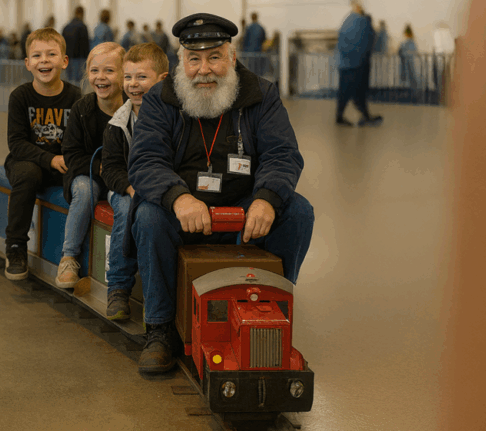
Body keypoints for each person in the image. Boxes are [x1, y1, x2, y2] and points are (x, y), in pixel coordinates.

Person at [126, 13, 314, 373]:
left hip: (245, 210)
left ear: (232, 56)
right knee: (148, 216)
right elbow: (146, 160)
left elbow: (282, 154)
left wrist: (267, 199)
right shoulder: (160, 100)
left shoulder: (261, 94)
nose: (204, 69)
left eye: (214, 57)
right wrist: (178, 198)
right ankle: (160, 329)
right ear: (181, 61)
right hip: (183, 212)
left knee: (298, 212)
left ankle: (275, 313)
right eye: (194, 59)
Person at [3, 28, 82, 280]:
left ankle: (72, 254)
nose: (44, 60)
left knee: (85, 183)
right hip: (26, 162)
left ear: (64, 61)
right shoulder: (20, 97)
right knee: (28, 174)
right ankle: (16, 246)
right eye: (37, 56)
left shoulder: (76, 97)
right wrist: (50, 159)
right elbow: (16, 144)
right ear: (28, 63)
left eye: (51, 54)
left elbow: (80, 141)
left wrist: (68, 161)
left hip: (63, 164)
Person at [101, 43, 168, 320]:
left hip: (159, 189)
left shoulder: (175, 117)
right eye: (128, 77)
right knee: (128, 208)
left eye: (141, 77)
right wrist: (130, 187)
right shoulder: (118, 123)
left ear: (162, 79)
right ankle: (118, 286)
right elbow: (110, 169)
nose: (133, 84)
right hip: (125, 189)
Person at [57, 42, 127, 288]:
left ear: (124, 74)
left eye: (109, 70)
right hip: (89, 174)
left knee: (126, 203)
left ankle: (121, 269)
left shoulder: (133, 108)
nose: (101, 77)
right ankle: (69, 257)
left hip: (120, 177)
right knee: (84, 190)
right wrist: (99, 167)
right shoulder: (82, 109)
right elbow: (71, 153)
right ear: (87, 74)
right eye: (95, 71)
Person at [334, 1, 382, 127]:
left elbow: (346, 42)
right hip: (355, 64)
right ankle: (357, 116)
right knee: (355, 92)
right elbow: (367, 41)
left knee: (350, 93)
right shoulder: (359, 21)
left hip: (348, 64)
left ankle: (361, 116)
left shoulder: (349, 21)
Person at [62, 6, 90, 83]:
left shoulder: (66, 27)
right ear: (82, 13)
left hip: (67, 57)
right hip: (79, 58)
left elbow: (62, 43)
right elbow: (85, 44)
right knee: (78, 81)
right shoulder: (82, 27)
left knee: (69, 80)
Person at [398, 24, 419, 90]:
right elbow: (414, 51)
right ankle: (412, 89)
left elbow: (400, 51)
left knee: (407, 76)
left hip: (406, 62)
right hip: (409, 61)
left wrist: (402, 53)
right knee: (411, 76)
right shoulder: (412, 42)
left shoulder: (405, 42)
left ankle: (408, 89)